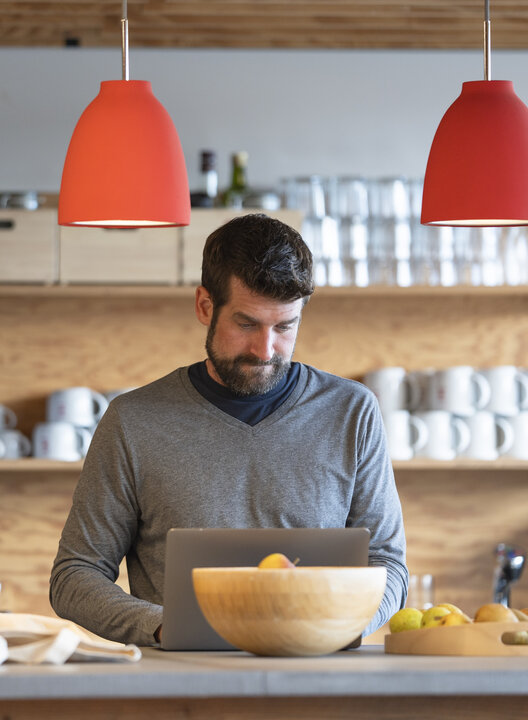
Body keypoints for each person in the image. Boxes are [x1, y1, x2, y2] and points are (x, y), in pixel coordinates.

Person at [50, 213, 407, 646]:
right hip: (181, 690)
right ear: (205, 306)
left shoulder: (352, 412)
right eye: (246, 324)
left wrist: (337, 628)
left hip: (320, 684)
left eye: (284, 327)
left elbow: (388, 564)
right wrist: (165, 626)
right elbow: (74, 576)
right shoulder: (133, 421)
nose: (265, 350)